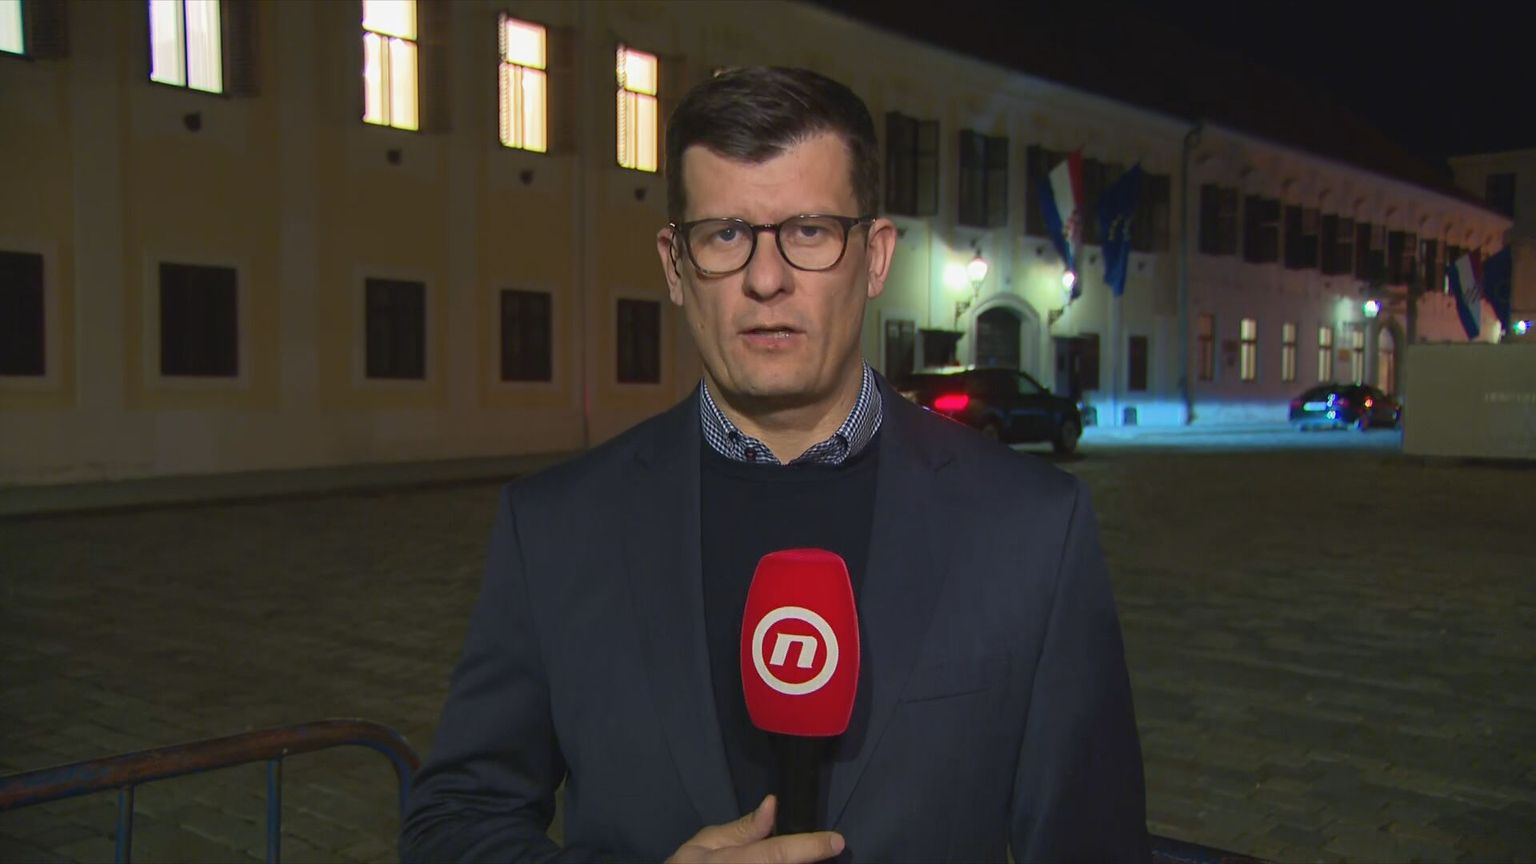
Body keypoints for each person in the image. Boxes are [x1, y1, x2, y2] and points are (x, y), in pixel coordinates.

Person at [400, 66, 1149, 863]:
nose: (766, 278)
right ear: (675, 266)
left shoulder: (1032, 530)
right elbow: (454, 822)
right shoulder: (555, 526)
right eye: (725, 235)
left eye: (810, 231)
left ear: (875, 258)